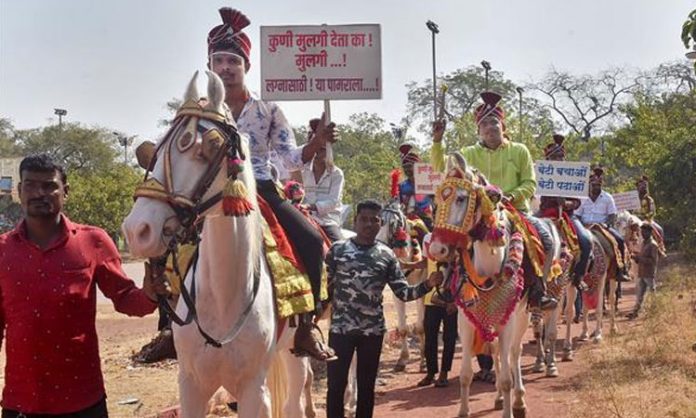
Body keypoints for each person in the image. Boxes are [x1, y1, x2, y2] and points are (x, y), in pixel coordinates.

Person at [206, 7, 338, 361]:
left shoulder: (268, 110)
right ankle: (167, 330)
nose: (225, 68)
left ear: (246, 67)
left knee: (311, 241)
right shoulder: (199, 110)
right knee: (167, 241)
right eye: (218, 60)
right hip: (207, 195)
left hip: (260, 188)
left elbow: (291, 159)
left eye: (233, 61)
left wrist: (317, 142)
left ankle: (308, 325)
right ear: (209, 66)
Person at [0, 154, 169, 418]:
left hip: (82, 400)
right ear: (19, 191)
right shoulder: (3, 251)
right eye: (30, 185)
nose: (39, 193)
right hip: (22, 401)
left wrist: (149, 294)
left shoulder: (94, 242)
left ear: (65, 192)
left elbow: (125, 298)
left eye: (49, 186)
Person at [431, 91, 558, 311]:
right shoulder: (467, 153)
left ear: (503, 126)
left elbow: (529, 184)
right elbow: (441, 167)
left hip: (514, 210)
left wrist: (509, 196)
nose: (490, 127)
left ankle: (538, 290)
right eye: (485, 124)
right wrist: (437, 141)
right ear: (479, 130)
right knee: (450, 234)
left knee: (545, 239)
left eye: (494, 122)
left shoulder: (519, 150)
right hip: (479, 213)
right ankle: (449, 288)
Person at [325, 200, 443, 418]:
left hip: (372, 333)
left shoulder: (387, 255)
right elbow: (325, 290)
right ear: (355, 221)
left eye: (374, 220)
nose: (368, 224)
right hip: (341, 331)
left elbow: (403, 293)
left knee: (367, 387)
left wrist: (428, 284)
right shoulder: (337, 250)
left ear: (380, 224)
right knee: (335, 387)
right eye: (364, 219)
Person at [537, 134, 593, 291]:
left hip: (568, 215)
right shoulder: (540, 173)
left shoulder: (570, 174)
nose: (559, 160)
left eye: (561, 157)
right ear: (548, 159)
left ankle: (578, 277)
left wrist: (567, 203)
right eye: (555, 157)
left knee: (586, 241)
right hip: (544, 215)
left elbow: (578, 201)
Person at [575, 167, 631, 282]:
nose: (596, 188)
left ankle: (621, 270)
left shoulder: (607, 197)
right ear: (589, 185)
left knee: (619, 240)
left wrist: (606, 225)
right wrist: (580, 225)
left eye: (598, 185)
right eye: (594, 185)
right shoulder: (582, 198)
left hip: (602, 226)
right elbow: (578, 215)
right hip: (585, 226)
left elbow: (612, 215)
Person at [416, 235, 458, 388]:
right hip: (431, 299)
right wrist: (407, 265)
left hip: (451, 300)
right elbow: (426, 262)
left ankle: (444, 373)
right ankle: (431, 372)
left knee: (449, 337)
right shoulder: (427, 237)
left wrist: (456, 299)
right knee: (430, 337)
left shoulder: (456, 239)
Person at [300, 119, 345, 242]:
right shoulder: (301, 171)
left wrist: (310, 206)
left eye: (322, 150)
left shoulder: (336, 174)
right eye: (315, 149)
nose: (317, 153)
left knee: (339, 249)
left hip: (328, 221)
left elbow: (333, 201)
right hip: (303, 217)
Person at [397, 143, 434, 231]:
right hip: (406, 219)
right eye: (404, 167)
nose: (407, 170)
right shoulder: (402, 186)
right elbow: (398, 203)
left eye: (409, 167)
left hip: (426, 220)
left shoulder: (428, 183)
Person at [626, 224, 660, 320]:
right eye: (642, 232)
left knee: (652, 292)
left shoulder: (653, 244)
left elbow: (653, 261)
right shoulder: (644, 243)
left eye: (645, 232)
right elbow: (642, 257)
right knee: (640, 294)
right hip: (641, 272)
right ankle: (635, 312)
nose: (643, 234)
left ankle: (655, 310)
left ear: (650, 232)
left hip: (649, 273)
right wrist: (635, 257)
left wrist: (639, 258)